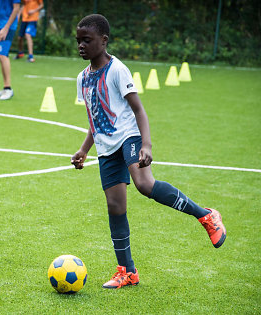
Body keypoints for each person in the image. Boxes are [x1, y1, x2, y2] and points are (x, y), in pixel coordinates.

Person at [71, 14, 226, 290]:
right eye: (78, 41)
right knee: (115, 207)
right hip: (106, 148)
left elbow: (139, 110)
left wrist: (146, 144)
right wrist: (84, 150)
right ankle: (127, 272)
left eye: (87, 40)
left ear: (104, 41)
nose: (81, 45)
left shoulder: (118, 70)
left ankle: (206, 216)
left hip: (129, 136)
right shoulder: (82, 78)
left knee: (144, 184)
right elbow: (94, 118)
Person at [0, 0, 20, 100]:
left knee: (2, 55)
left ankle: (8, 89)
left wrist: (6, 28)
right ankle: (5, 87)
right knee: (0, 55)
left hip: (6, 27)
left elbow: (16, 9)